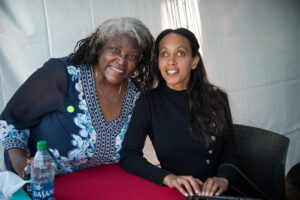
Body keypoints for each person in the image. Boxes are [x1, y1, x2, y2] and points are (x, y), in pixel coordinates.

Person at [0, 17, 155, 177]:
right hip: (41, 182)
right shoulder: (63, 74)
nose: (122, 61)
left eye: (132, 56)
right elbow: (11, 121)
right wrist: (22, 166)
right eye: (115, 50)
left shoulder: (136, 96)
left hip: (96, 184)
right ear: (99, 47)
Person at [120, 28, 239, 197]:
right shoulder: (148, 102)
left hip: (217, 193)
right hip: (176, 192)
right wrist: (168, 178)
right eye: (164, 54)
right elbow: (128, 155)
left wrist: (223, 179)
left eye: (180, 53)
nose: (171, 61)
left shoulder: (217, 98)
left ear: (194, 61)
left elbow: (230, 154)